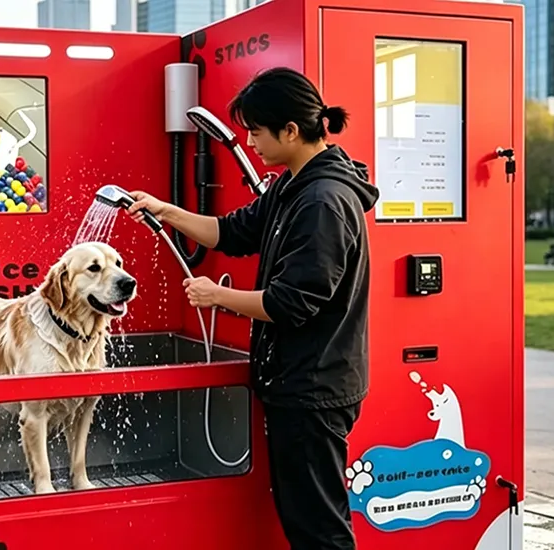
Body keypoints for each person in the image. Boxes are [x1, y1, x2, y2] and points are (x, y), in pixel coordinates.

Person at [128, 67, 373, 550]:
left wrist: (216, 296)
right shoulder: (293, 185)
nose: (250, 142)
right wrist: (166, 210)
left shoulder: (323, 201)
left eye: (256, 132)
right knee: (306, 516)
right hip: (297, 384)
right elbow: (232, 232)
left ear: (290, 131)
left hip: (314, 390)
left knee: (319, 527)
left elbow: (292, 303)